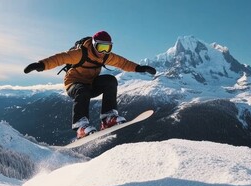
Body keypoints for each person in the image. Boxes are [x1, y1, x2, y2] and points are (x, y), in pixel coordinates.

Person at [24, 30, 156, 139]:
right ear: (94, 45)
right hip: (74, 85)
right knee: (83, 89)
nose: (103, 52)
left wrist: (140, 68)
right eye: (101, 47)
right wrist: (40, 65)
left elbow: (122, 63)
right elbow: (60, 58)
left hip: (91, 83)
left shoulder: (105, 56)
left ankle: (108, 118)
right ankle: (81, 126)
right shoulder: (80, 53)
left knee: (110, 80)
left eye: (107, 48)